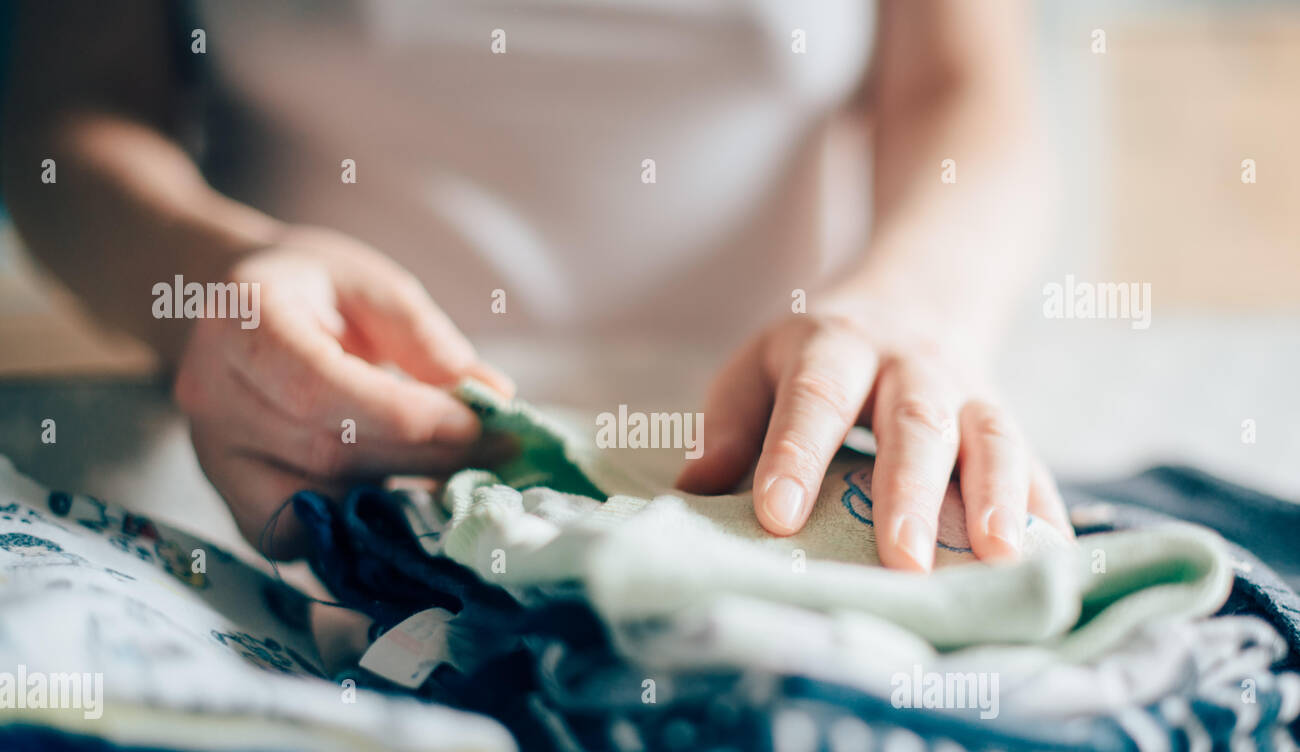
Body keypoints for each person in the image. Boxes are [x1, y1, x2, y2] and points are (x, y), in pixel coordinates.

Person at [2, 0, 1073, 572]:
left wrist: (908, 309)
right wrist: (212, 280)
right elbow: (63, 114)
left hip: (779, 491)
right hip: (285, 497)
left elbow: (961, 89)